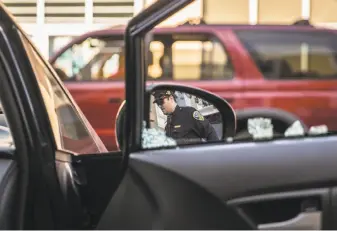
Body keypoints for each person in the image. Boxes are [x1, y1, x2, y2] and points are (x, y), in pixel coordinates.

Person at [152, 90, 219, 144]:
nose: (160, 106)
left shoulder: (189, 113)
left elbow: (210, 133)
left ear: (171, 98)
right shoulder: (168, 125)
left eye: (161, 101)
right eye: (158, 103)